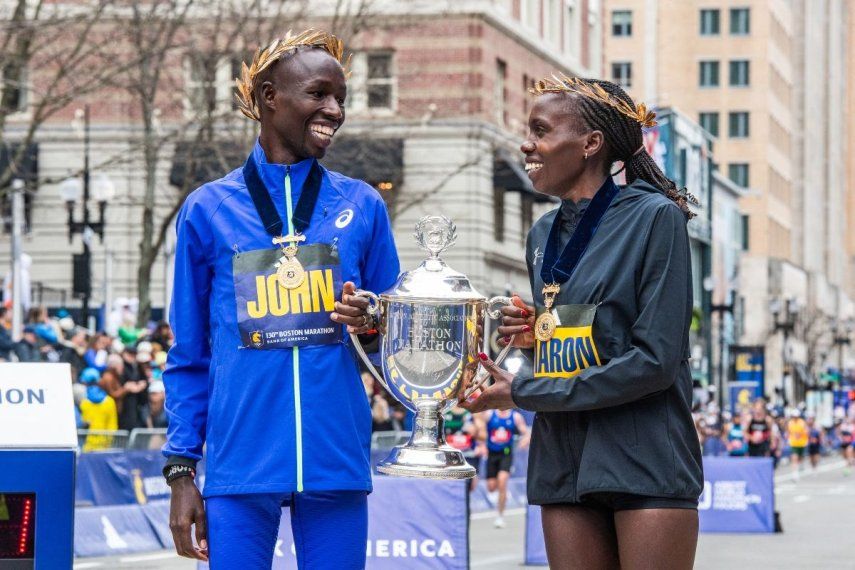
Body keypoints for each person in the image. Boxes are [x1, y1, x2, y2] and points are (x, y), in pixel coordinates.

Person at [162, 29, 399, 568]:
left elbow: (395, 341)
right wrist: (181, 469)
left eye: (341, 97)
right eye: (319, 94)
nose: (335, 110)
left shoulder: (362, 206)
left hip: (335, 460)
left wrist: (373, 321)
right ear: (270, 96)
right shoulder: (208, 210)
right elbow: (189, 354)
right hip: (239, 465)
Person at [463, 75, 702, 569]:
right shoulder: (542, 231)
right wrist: (534, 340)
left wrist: (525, 392)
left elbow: (654, 361)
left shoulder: (656, 218)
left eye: (541, 130)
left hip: (644, 458)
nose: (527, 143)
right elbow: (586, 342)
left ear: (591, 144)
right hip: (563, 461)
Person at [482, 409, 528, 528]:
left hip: (506, 454)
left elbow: (526, 432)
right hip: (492, 454)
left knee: (502, 481)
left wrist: (524, 440)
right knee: (491, 487)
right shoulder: (489, 414)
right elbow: (480, 430)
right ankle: (502, 490)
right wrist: (482, 445)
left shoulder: (515, 416)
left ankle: (500, 516)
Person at [79, 367, 119, 452]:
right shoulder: (109, 401)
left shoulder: (83, 401)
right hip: (104, 447)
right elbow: (112, 425)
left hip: (85, 447)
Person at [786, 410, 809, 478]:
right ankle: (795, 473)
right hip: (793, 443)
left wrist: (804, 438)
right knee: (794, 457)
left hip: (801, 442)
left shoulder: (802, 422)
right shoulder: (790, 423)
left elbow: (806, 431)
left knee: (800, 457)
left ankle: (800, 465)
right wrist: (788, 439)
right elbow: (788, 432)